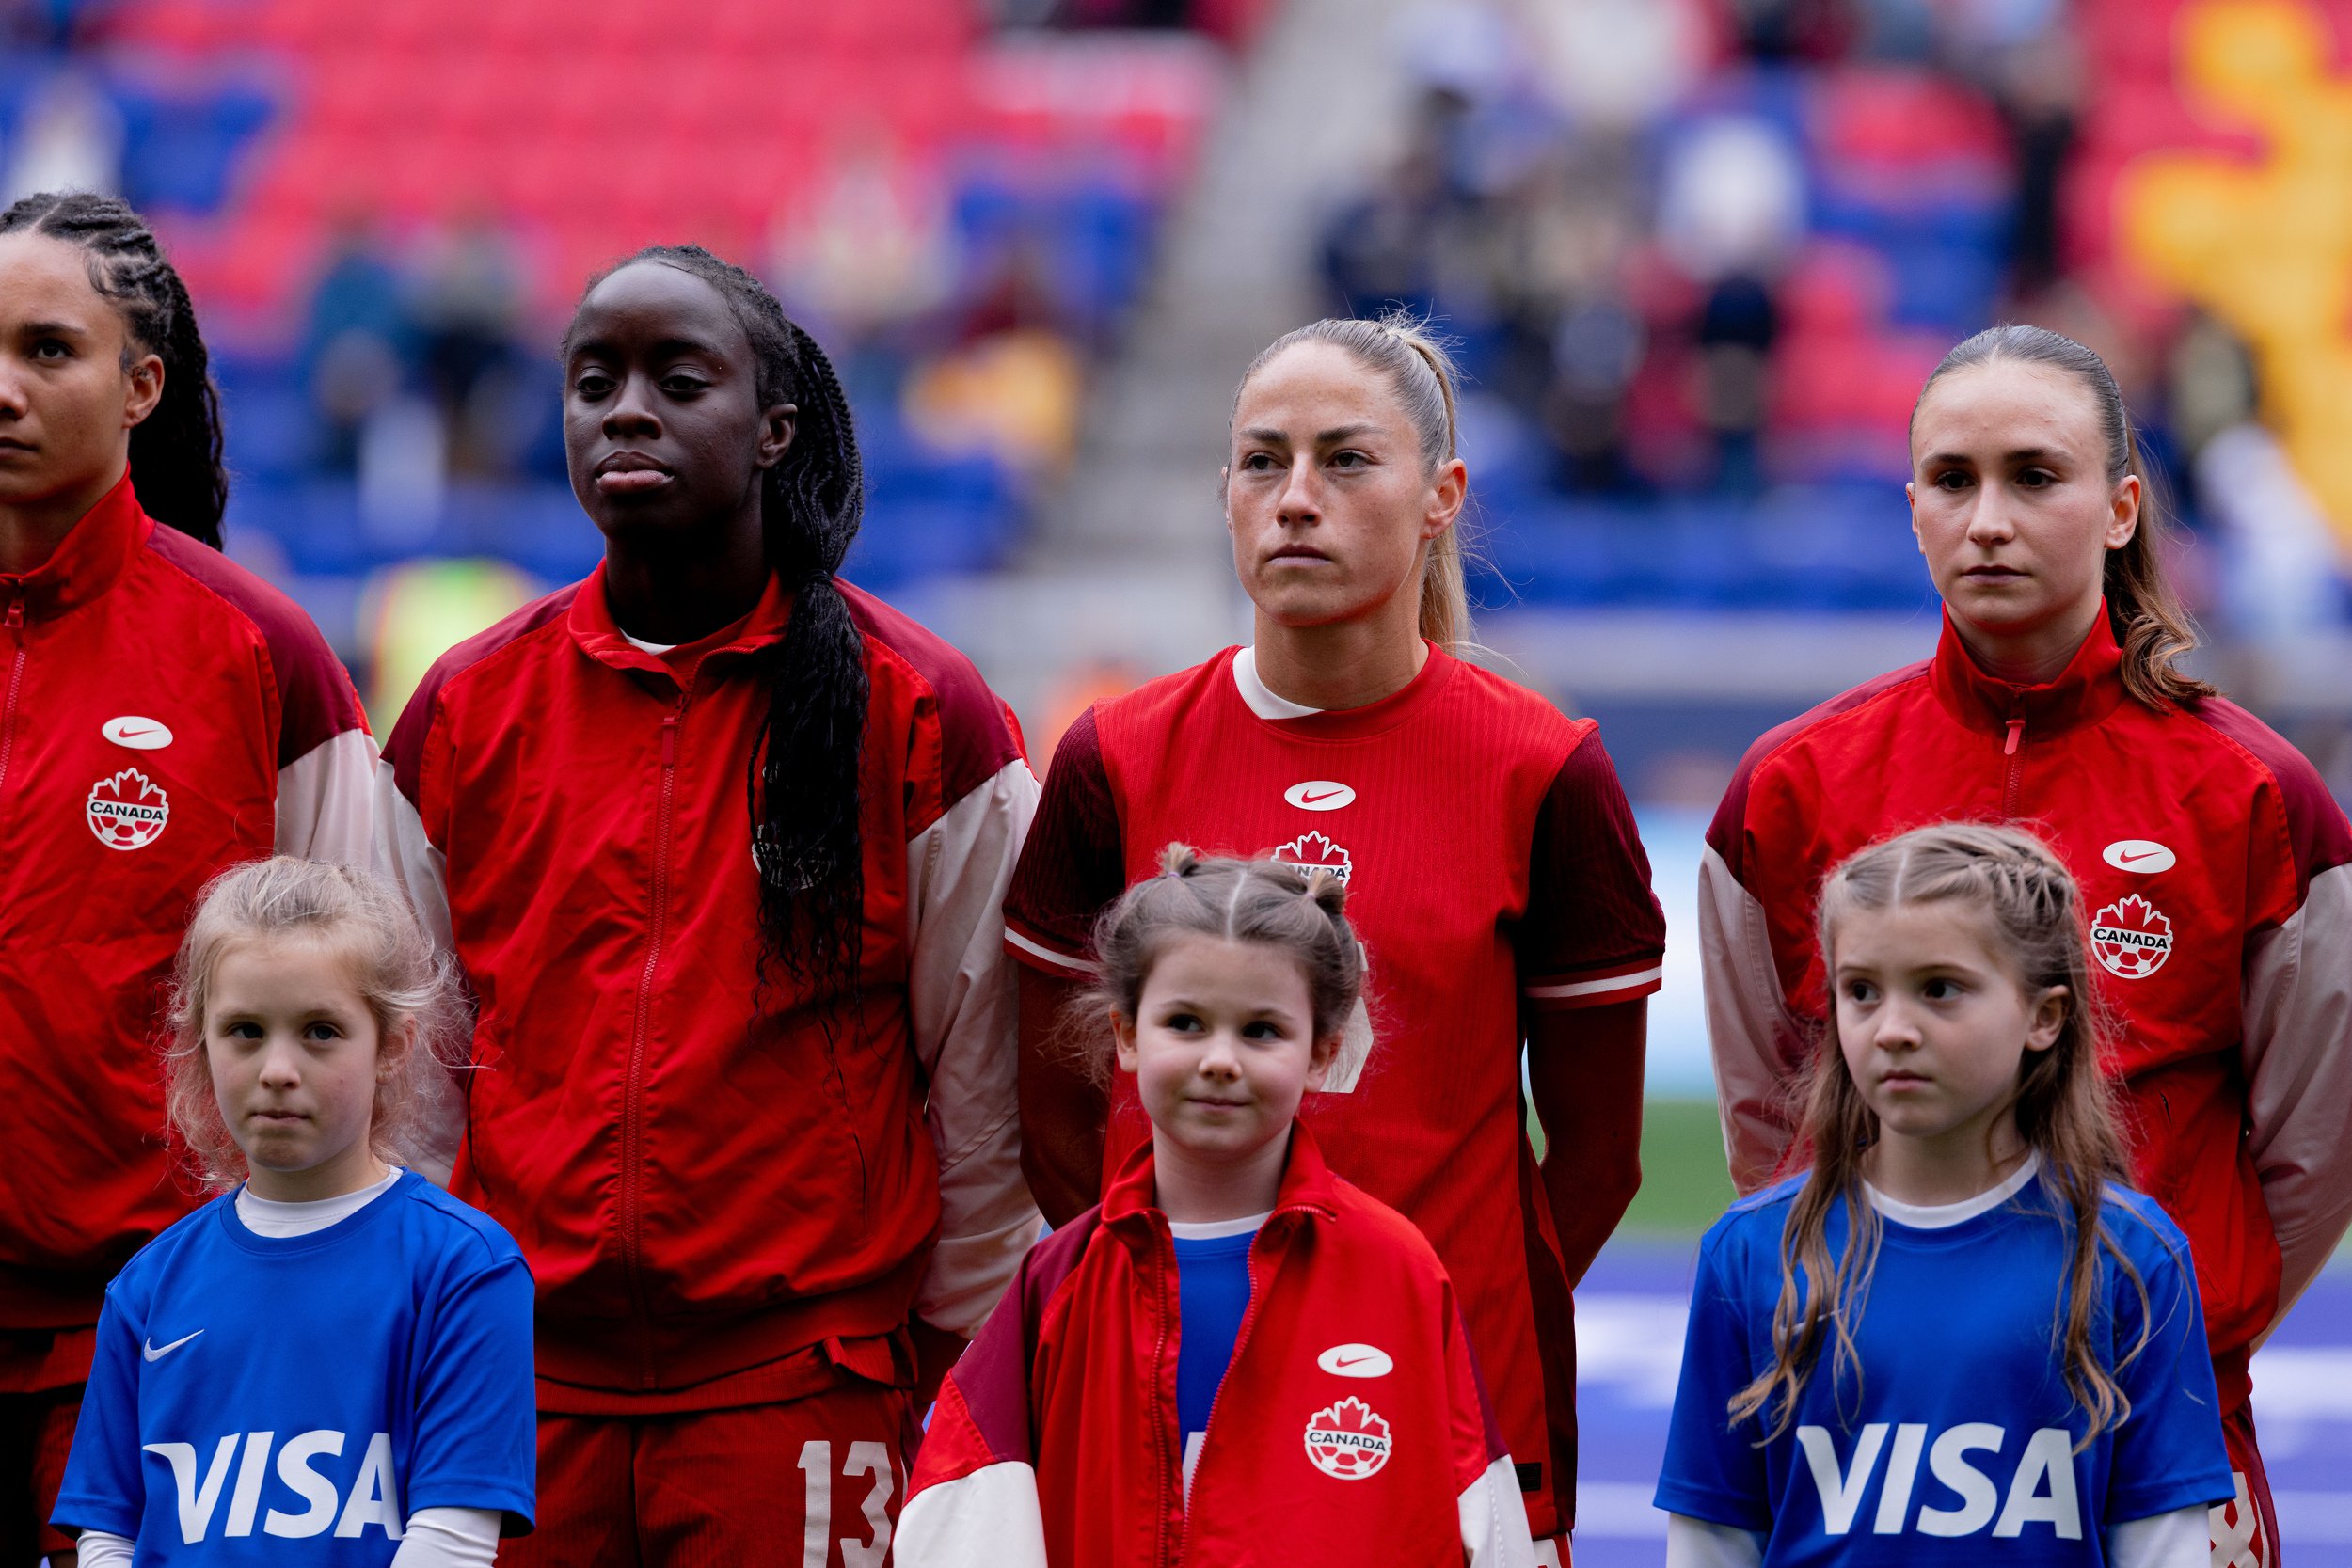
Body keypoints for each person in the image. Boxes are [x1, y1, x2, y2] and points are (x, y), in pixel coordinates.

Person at [373, 245, 1040, 1566]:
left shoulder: (922, 708)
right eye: (592, 381)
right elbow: (412, 1072)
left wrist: (949, 1376)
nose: (625, 410)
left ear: (774, 425)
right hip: (517, 1385)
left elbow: (984, 1090)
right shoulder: (464, 707)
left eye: (678, 379)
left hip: (798, 1384)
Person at [1007, 313, 1665, 1560]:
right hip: (1168, 1399)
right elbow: (1052, 1112)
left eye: (1346, 460)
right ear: (1224, 493)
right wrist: (1168, 1304)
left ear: (1441, 497)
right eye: (1263, 462)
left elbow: (1595, 1155)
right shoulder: (1113, 757)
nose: (1295, 497)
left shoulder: (1544, 770)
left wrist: (1417, 1317)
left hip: (1450, 1405)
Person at [1700, 324, 2352, 1563]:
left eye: (2033, 476)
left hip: (2163, 1425)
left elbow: (2317, 1142)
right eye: (1952, 480)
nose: (1987, 517)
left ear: (2120, 508)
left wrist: (2188, 1314)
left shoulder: (2258, 796)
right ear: (1910, 509)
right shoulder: (1791, 785)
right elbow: (1767, 1115)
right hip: (1865, 1422)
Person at [0, 191, 375, 1568]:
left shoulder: (255, 650)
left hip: (161, 1329)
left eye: (49, 350)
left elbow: (380, 1008)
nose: (5, 390)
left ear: (141, 383)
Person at [902, 848, 1535, 1568]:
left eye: (1261, 1030)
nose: (1220, 1059)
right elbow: (960, 1518)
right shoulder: (1058, 1282)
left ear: (1324, 1052)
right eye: (1186, 1022)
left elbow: (1485, 1526)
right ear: (1128, 1035)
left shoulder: (1399, 1272)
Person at [1660, 825, 2234, 1566]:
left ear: (2044, 1016)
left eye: (1939, 989)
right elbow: (1713, 1543)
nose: (1893, 1029)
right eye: (1860, 991)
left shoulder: (2132, 1257)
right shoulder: (1750, 1255)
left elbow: (2161, 1549)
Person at [51, 857, 536, 1567]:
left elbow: (453, 1541)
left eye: (319, 1030)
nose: (278, 1067)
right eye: (245, 1029)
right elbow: (108, 1535)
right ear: (200, 1042)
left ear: (392, 1045)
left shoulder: (465, 1269)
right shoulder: (146, 1286)